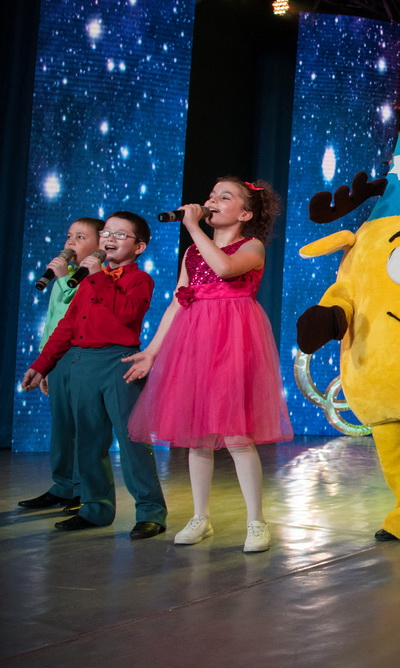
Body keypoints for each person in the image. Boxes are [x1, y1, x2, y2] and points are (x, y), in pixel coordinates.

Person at [125, 178, 293, 554]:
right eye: (212, 195)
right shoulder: (192, 251)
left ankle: (256, 521)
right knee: (197, 435)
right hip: (195, 341)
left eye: (224, 197)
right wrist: (153, 351)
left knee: (236, 436)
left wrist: (192, 226)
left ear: (245, 214)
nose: (212, 201)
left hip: (233, 339)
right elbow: (178, 300)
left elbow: (225, 268)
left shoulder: (252, 246)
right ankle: (200, 516)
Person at [21, 211, 168, 539]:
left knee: (132, 442)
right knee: (88, 441)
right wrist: (42, 364)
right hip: (83, 363)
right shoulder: (88, 280)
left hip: (119, 362)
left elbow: (126, 313)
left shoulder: (139, 280)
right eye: (106, 233)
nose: (110, 239)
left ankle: (150, 512)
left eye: (120, 234)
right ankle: (95, 508)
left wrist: (99, 276)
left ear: (139, 247)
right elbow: (67, 326)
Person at [18, 217, 104, 513]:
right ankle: (62, 485)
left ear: (100, 244)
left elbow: (80, 310)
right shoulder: (63, 275)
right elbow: (53, 321)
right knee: (62, 427)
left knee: (83, 427)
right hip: (57, 357)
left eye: (80, 237)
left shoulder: (96, 276)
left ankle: (82, 489)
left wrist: (63, 278)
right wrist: (44, 361)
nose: (70, 242)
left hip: (80, 355)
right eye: (69, 236)